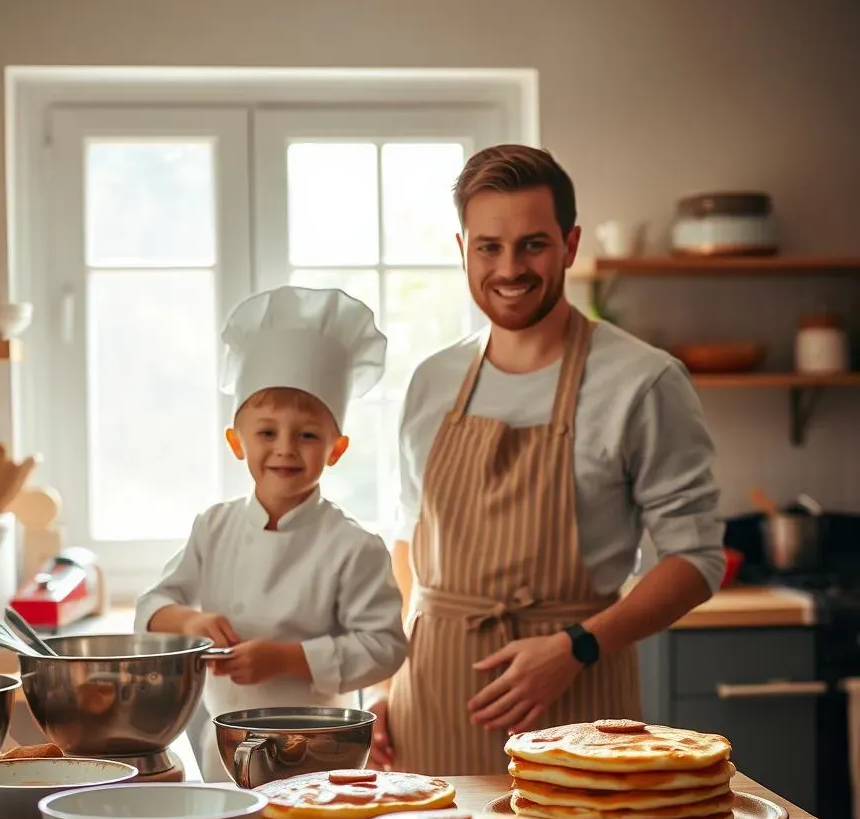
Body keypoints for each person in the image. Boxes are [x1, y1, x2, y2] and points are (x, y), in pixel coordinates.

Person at [367, 144, 724, 775]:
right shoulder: (432, 381)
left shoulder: (642, 381)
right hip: (430, 707)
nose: (509, 267)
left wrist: (577, 647)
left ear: (570, 244)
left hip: (577, 706)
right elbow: (408, 543)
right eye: (489, 247)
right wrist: (390, 682)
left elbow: (695, 561)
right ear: (462, 250)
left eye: (532, 244)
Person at [134, 285, 408, 781]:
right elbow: (151, 609)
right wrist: (193, 625)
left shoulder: (354, 546)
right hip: (224, 747)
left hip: (323, 752)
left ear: (337, 448)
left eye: (307, 434)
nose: (285, 448)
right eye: (266, 432)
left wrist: (289, 659)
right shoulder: (212, 528)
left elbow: (385, 647)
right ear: (236, 443)